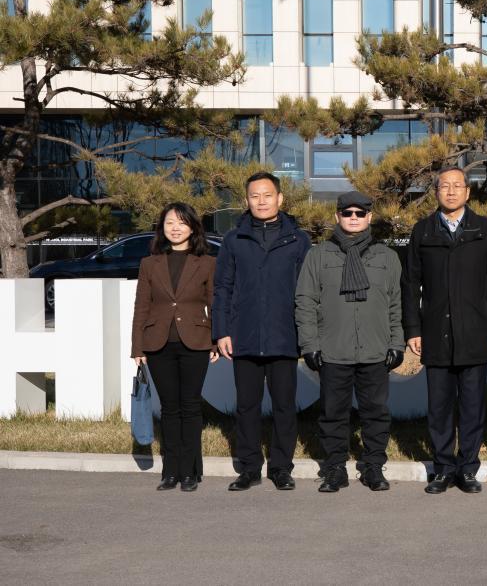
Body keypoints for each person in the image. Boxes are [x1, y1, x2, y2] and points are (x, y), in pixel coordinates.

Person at [403, 165, 487, 494]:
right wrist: (413, 328)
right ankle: (443, 468)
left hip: (475, 330)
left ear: (467, 192)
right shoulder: (423, 231)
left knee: (473, 405)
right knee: (439, 406)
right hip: (435, 331)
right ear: (436, 192)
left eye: (457, 186)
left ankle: (468, 468)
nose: (450, 191)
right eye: (444, 186)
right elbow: (410, 284)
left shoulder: (483, 228)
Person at [295, 191, 405, 494]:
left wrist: (397, 342)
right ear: (337, 216)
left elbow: (396, 303)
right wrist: (309, 344)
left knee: (376, 412)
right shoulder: (318, 255)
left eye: (359, 213)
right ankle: (335, 469)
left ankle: (373, 466)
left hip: (375, 349)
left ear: (369, 217)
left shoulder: (387, 257)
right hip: (333, 349)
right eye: (347, 213)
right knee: (333, 413)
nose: (353, 218)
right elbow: (305, 301)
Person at [212, 171, 312, 492]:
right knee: (247, 406)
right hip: (245, 336)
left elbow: (307, 291)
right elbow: (222, 288)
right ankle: (249, 467)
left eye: (267, 195)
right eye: (255, 196)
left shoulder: (298, 240)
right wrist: (221, 331)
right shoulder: (234, 240)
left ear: (280, 198)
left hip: (284, 336)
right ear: (246, 200)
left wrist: (307, 334)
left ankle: (281, 468)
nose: (261, 201)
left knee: (284, 406)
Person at [131, 202, 219, 492]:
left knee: (191, 407)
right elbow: (141, 306)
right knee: (169, 408)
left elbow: (214, 304)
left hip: (195, 342)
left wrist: (216, 340)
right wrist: (137, 347)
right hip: (158, 344)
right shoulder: (150, 264)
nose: (175, 228)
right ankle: (170, 471)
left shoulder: (207, 262)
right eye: (170, 223)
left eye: (181, 223)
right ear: (162, 228)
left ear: (192, 228)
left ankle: (190, 471)